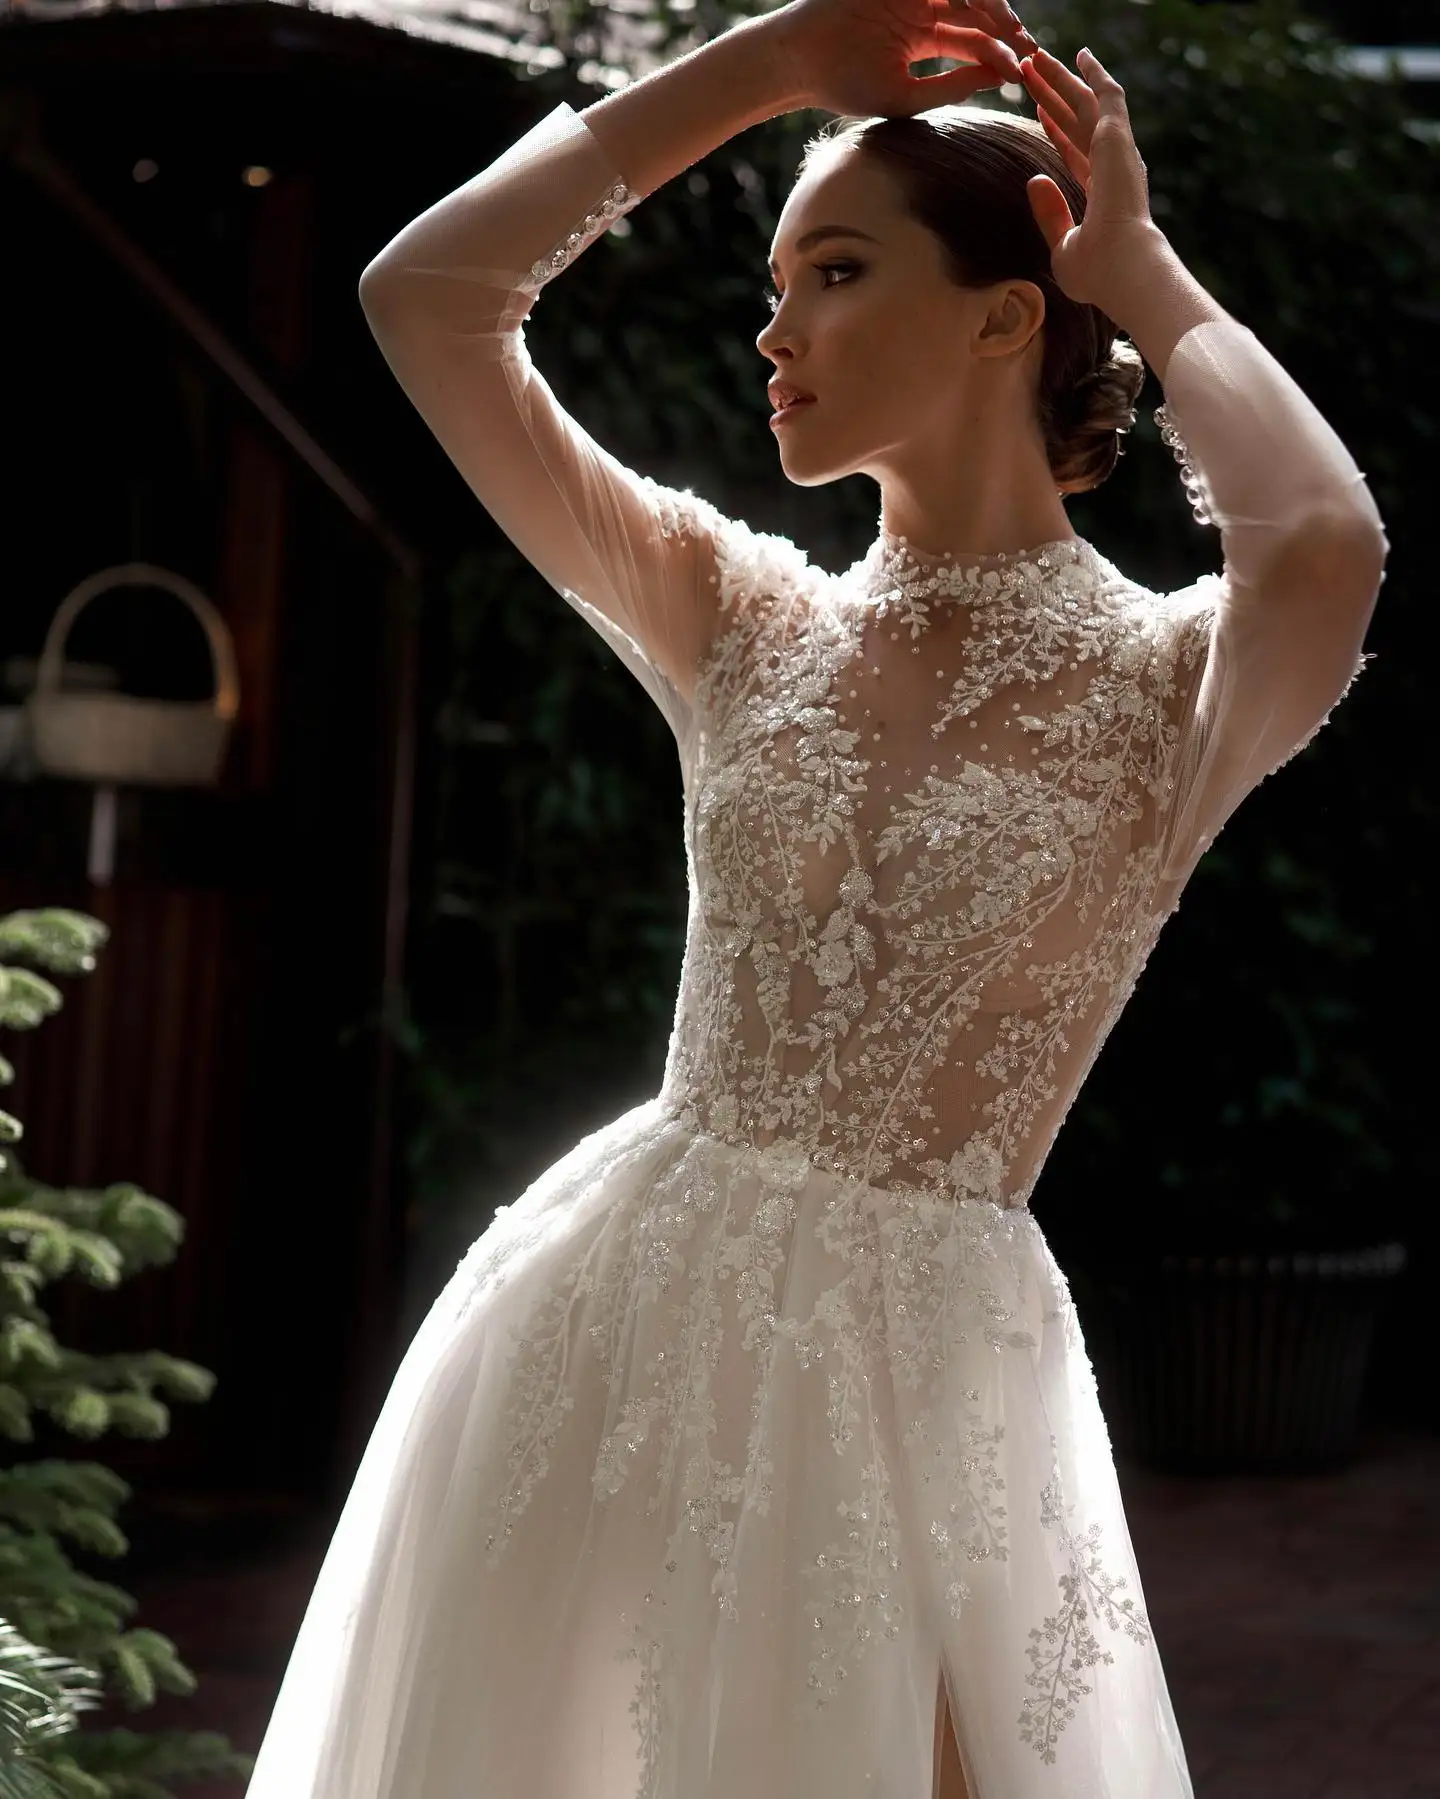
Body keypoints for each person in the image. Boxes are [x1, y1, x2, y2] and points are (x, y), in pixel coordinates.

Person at [245, 1, 1387, 1794]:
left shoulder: (1173, 688)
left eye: (836, 271)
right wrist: (775, 62)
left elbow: (1324, 543)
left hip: (923, 1403)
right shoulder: (734, 612)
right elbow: (429, 299)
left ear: (1011, 310)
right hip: (603, 1339)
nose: (774, 328)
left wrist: (1147, 277)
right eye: (774, 282)